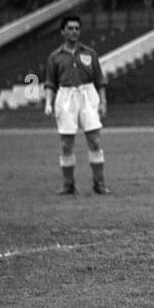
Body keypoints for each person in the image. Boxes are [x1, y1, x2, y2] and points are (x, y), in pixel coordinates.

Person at [43, 14, 110, 195]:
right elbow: (50, 82)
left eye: (77, 28)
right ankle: (68, 185)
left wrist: (103, 102)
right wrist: (48, 102)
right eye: (70, 28)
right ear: (63, 31)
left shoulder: (90, 53)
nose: (74, 32)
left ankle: (99, 183)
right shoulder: (55, 57)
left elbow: (99, 80)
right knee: (66, 144)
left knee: (94, 140)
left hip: (87, 94)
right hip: (65, 96)